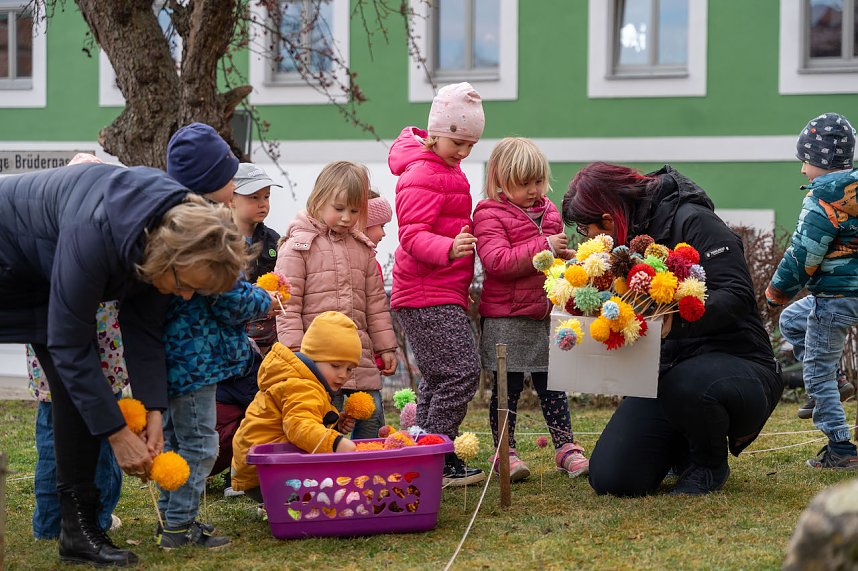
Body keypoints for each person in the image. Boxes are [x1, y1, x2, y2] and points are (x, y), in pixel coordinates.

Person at [0, 162, 247, 566]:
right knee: (74, 373)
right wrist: (117, 434)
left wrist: (153, 409)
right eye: (184, 286)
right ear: (166, 256)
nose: (185, 297)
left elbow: (145, 330)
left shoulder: (167, 233)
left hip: (42, 268)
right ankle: (75, 526)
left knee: (74, 390)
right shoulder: (96, 232)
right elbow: (70, 346)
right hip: (7, 253)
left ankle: (78, 532)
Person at [563, 161, 784, 496]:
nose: (587, 238)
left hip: (738, 363)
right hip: (668, 375)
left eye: (585, 228)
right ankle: (680, 448)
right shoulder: (619, 250)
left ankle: (709, 465)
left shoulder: (694, 220)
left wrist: (672, 322)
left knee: (688, 384)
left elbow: (738, 295)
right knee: (613, 479)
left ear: (608, 219)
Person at [473, 137, 588, 482]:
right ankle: (504, 451)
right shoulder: (489, 213)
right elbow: (497, 262)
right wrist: (544, 245)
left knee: (553, 385)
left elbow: (548, 263)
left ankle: (566, 447)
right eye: (524, 184)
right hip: (506, 317)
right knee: (507, 388)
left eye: (537, 181)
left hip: (542, 315)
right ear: (500, 182)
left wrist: (572, 262)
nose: (534, 190)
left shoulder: (550, 212)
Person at [388, 82, 487, 486]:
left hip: (441, 290)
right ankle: (439, 452)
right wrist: (448, 248)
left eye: (470, 145)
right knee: (463, 371)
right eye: (457, 142)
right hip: (424, 291)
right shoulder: (424, 172)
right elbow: (411, 235)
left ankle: (423, 455)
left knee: (438, 376)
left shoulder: (446, 169)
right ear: (435, 132)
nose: (463, 153)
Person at [274, 161, 398, 440]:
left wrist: (386, 347)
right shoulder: (298, 247)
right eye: (339, 208)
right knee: (323, 430)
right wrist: (296, 355)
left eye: (354, 211)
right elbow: (287, 307)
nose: (346, 217)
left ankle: (370, 480)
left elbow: (376, 304)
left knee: (370, 429)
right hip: (317, 364)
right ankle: (326, 482)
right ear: (319, 200)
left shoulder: (363, 250)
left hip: (360, 360)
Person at [766, 112, 858, 470]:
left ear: (819, 161)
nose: (803, 170)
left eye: (805, 160)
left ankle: (841, 449)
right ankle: (836, 379)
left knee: (815, 374)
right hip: (849, 296)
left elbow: (803, 253)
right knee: (792, 320)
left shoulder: (823, 198)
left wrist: (777, 291)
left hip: (834, 299)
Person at [231, 311, 363, 501]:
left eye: (349, 369)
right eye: (335, 365)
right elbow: (299, 427)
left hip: (261, 468)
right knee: (333, 488)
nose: (343, 375)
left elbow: (304, 416)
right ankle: (286, 501)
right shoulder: (302, 385)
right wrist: (334, 442)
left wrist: (335, 423)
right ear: (313, 360)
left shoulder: (305, 381)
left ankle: (279, 502)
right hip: (267, 473)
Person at [27, 302, 125, 540]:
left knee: (52, 441)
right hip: (99, 348)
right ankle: (96, 519)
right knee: (101, 438)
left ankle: (49, 523)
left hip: (47, 344)